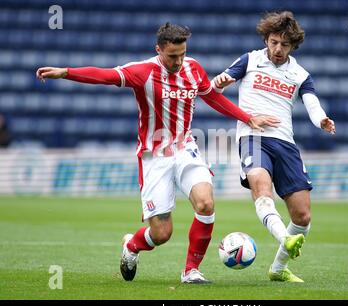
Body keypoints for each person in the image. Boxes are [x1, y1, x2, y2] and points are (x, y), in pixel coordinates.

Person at [36, 23, 279, 284]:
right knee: (162, 233)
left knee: (206, 204)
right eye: (172, 56)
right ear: (159, 50)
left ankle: (191, 271)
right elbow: (104, 76)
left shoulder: (193, 68)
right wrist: (65, 72)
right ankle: (132, 245)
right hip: (155, 157)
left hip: (186, 148)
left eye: (182, 54)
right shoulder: (144, 72)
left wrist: (247, 118)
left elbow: (212, 97)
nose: (178, 61)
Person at [212, 11, 336, 282]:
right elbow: (214, 88)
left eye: (285, 44)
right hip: (253, 138)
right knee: (262, 188)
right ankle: (285, 238)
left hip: (285, 143)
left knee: (302, 216)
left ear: (293, 46)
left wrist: (321, 119)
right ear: (266, 40)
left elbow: (312, 103)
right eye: (273, 42)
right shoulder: (250, 60)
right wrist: (219, 83)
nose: (278, 49)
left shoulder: (300, 74)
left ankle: (278, 269)